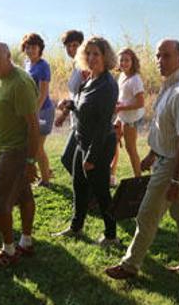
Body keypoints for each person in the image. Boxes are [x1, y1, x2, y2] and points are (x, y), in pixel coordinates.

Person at [105, 39, 179, 280]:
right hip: (165, 158)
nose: (160, 60)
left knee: (147, 214)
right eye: (158, 55)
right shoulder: (169, 87)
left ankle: (130, 265)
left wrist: (176, 180)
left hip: (173, 164)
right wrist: (151, 154)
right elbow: (165, 129)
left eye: (166, 56)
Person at [54, 37, 120, 245]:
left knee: (101, 192)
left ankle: (111, 236)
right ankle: (76, 227)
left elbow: (102, 125)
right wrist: (71, 105)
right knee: (78, 185)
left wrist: (91, 157)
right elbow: (86, 108)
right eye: (88, 53)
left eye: (96, 54)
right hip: (81, 140)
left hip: (99, 146)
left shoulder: (107, 85)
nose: (91, 58)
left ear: (105, 57)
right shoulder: (90, 79)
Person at [0, 42, 39, 269]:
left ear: (8, 56)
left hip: (17, 151)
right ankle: (25, 242)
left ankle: (9, 251)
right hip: (4, 149)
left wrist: (31, 161)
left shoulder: (20, 83)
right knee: (23, 196)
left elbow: (33, 126)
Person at [20, 33, 55, 187]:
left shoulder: (43, 66)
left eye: (33, 47)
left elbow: (43, 93)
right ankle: (47, 171)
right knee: (33, 145)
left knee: (38, 147)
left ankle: (45, 180)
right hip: (31, 110)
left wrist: (34, 112)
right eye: (27, 47)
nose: (30, 50)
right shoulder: (27, 63)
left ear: (40, 48)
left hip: (43, 111)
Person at [110, 47, 145, 185]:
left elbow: (140, 103)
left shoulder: (135, 80)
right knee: (113, 141)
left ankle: (138, 180)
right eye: (121, 60)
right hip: (122, 115)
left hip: (131, 119)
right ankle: (111, 176)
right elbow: (124, 97)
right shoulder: (123, 76)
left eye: (127, 60)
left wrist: (120, 107)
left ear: (133, 61)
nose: (124, 63)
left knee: (131, 149)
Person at [56, 30, 85, 174]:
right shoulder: (76, 66)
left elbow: (85, 96)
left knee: (69, 159)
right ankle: (88, 193)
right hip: (76, 119)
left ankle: (89, 193)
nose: (71, 49)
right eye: (68, 46)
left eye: (75, 45)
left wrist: (67, 104)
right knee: (72, 161)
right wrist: (64, 114)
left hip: (84, 122)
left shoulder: (84, 68)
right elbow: (75, 96)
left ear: (81, 45)